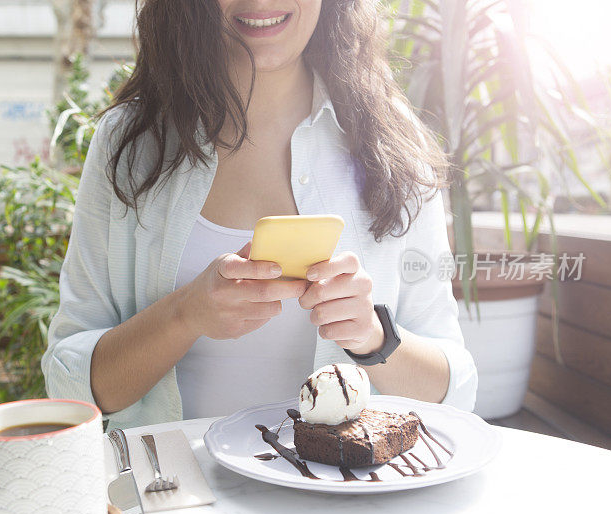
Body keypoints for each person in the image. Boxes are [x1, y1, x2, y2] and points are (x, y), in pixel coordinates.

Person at [42, 0, 478, 430]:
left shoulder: (390, 142)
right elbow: (71, 387)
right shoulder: (130, 143)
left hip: (346, 494)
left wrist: (373, 338)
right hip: (171, 492)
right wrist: (184, 314)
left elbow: (453, 391)